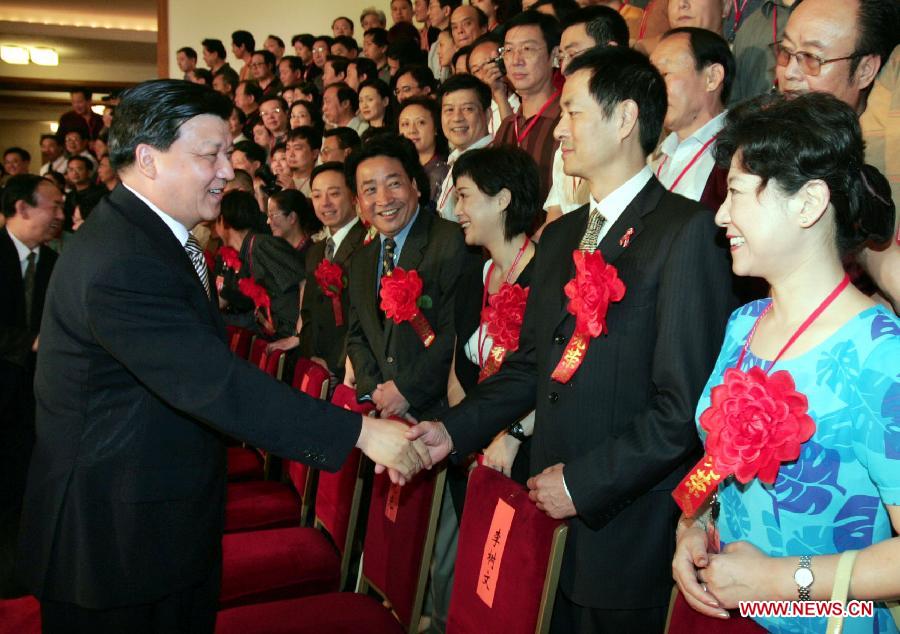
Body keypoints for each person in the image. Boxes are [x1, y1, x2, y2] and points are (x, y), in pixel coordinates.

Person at [15, 79, 430, 634]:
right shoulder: (122, 259)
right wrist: (360, 433)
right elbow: (210, 381)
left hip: (152, 526)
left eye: (228, 153)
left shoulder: (149, 239)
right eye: (210, 154)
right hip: (115, 545)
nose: (227, 171)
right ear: (148, 160)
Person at [408, 47, 737, 632]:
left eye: (574, 113)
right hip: (550, 512)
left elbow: (683, 409)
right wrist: (449, 432)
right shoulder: (560, 237)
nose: (558, 128)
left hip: (623, 525)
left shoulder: (684, 234)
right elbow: (530, 368)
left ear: (626, 118)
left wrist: (583, 484)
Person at [672, 92, 899, 634]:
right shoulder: (745, 323)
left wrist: (778, 581)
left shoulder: (881, 356)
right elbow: (720, 462)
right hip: (733, 613)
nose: (721, 214)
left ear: (807, 203)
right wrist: (692, 524)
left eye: (736, 193)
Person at [345, 134, 470, 420]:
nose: (384, 199)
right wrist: (373, 389)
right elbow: (357, 334)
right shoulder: (361, 260)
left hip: (436, 411)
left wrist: (405, 391)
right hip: (384, 408)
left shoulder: (450, 241)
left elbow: (454, 333)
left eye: (394, 184)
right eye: (370, 190)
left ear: (414, 185)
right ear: (358, 201)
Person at [448, 145, 540, 481]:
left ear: (502, 199)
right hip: (473, 450)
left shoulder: (546, 277)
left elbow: (551, 379)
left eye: (464, 196)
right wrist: (465, 438)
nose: (456, 210)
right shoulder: (474, 276)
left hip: (522, 453)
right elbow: (459, 372)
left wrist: (509, 435)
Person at [0, 175, 63, 596]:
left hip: (37, 401)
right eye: (53, 206)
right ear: (22, 208)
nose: (60, 215)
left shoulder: (55, 263)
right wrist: (30, 341)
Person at [543, 5, 628, 227]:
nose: (564, 68)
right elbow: (555, 218)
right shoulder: (565, 127)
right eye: (561, 57)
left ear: (610, 51)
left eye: (573, 54)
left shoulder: (634, 121)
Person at [290, 162, 369, 381]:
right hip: (316, 369)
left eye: (334, 193)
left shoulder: (367, 245)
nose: (325, 203)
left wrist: (335, 363)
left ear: (354, 196)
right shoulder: (316, 251)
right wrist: (311, 356)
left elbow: (363, 318)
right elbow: (307, 313)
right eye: (316, 196)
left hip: (347, 371)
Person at [650, 27, 734, 210]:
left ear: (712, 78)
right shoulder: (655, 161)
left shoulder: (740, 156)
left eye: (663, 74)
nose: (652, 88)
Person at [493, 11, 563, 219]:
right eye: (508, 50)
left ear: (554, 56)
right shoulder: (507, 126)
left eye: (527, 49)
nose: (516, 60)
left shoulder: (567, 121)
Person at [436, 73, 493, 220]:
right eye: (449, 110)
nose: (457, 118)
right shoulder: (458, 158)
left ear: (487, 115)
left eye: (467, 109)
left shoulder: (491, 164)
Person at [398, 97, 450, 208]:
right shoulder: (395, 168)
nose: (412, 130)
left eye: (421, 123)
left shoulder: (446, 171)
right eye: (405, 124)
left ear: (436, 128)